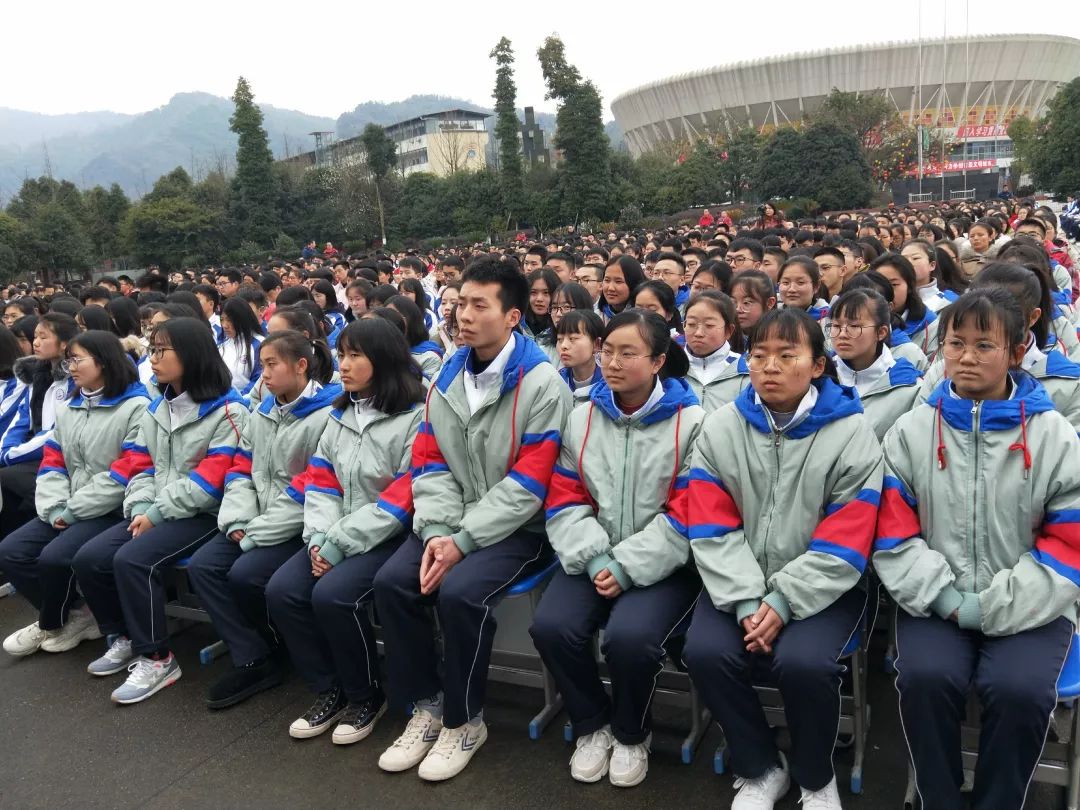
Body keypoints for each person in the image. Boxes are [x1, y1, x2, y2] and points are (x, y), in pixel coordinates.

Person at [874, 288, 1080, 810]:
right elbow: (893, 533)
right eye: (954, 343)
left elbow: (1068, 543)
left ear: (1016, 351)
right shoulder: (913, 431)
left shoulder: (1054, 436)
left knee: (1019, 691)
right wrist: (946, 598)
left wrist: (991, 605)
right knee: (924, 677)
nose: (965, 356)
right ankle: (938, 799)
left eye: (983, 345)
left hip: (1033, 604)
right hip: (935, 601)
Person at [372, 255, 571, 782]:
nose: (464, 314)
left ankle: (465, 721)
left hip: (519, 529)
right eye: (460, 303)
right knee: (393, 581)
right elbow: (430, 463)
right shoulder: (447, 374)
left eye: (479, 305)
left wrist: (462, 540)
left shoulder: (543, 383)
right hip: (452, 521)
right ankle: (427, 705)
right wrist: (439, 531)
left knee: (461, 593)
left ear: (512, 316)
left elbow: (529, 485)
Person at [684, 307, 883, 810]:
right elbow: (710, 522)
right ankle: (760, 765)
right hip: (740, 581)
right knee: (706, 651)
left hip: (826, 585)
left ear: (817, 365)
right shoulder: (723, 427)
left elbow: (848, 534)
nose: (769, 366)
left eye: (786, 355)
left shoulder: (850, 432)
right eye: (758, 355)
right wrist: (749, 597)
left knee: (804, 663)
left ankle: (816, 777)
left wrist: (785, 600)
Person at [531, 309, 703, 788]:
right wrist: (598, 557)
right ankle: (593, 723)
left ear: (658, 361)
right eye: (608, 351)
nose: (613, 362)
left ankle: (632, 732)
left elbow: (687, 513)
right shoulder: (582, 417)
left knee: (630, 639)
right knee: (551, 626)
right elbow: (565, 497)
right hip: (593, 555)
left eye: (628, 353)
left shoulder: (692, 423)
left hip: (664, 565)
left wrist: (628, 565)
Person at [71, 318, 248, 704]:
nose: (152, 359)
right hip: (154, 508)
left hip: (203, 514)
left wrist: (158, 512)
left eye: (161, 351)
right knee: (89, 558)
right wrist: (141, 506)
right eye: (151, 350)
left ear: (192, 354)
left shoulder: (229, 410)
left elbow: (211, 480)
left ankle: (158, 658)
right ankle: (123, 637)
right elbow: (140, 466)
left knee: (133, 560)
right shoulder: (157, 407)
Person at [266, 318, 425, 742]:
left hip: (389, 535)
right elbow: (321, 481)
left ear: (385, 359)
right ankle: (329, 688)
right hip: (335, 533)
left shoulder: (415, 416)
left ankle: (365, 696)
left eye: (356, 355)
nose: (345, 365)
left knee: (334, 595)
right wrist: (319, 537)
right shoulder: (340, 413)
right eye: (341, 355)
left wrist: (337, 543)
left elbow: (401, 499)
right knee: (282, 591)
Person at [184, 330, 341, 709]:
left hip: (299, 523)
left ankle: (302, 657)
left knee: (246, 574)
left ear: (301, 366)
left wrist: (258, 530)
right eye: (261, 365)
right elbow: (241, 469)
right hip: (255, 518)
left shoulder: (327, 414)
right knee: (205, 565)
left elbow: (312, 486)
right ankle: (255, 653)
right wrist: (239, 517)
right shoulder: (263, 411)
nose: (264, 374)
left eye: (272, 364)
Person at [0, 332, 149, 657]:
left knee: (56, 556)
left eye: (77, 359)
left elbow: (125, 473)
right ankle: (74, 614)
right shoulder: (71, 407)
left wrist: (72, 509)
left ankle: (51, 621)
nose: (69, 367)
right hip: (69, 505)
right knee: (11, 551)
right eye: (68, 360)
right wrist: (55, 506)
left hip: (109, 508)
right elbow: (53, 463)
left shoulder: (136, 407)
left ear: (104, 361)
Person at [0, 313, 78, 535]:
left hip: (61, 454)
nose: (36, 343)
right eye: (35, 336)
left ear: (64, 343)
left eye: (43, 337)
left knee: (8, 478)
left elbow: (55, 432)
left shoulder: (76, 378)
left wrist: (9, 455)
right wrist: (5, 451)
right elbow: (21, 421)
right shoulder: (36, 375)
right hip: (32, 452)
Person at [827, 289, 921, 441]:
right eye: (836, 326)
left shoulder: (910, 389)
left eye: (855, 326)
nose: (842, 334)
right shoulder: (819, 378)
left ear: (881, 332)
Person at [683, 291, 749, 412]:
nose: (698, 333)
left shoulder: (744, 371)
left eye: (709, 325)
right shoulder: (671, 367)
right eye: (691, 324)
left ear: (729, 330)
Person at [870, 253, 940, 360]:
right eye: (878, 285)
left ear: (910, 286)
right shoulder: (859, 323)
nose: (885, 292)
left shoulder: (930, 325)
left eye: (894, 285)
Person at [387, 295, 444, 380]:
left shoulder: (429, 357)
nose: (388, 322)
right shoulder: (381, 350)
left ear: (411, 319)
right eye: (384, 317)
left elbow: (425, 390)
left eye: (394, 317)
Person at [900, 239, 964, 312]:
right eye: (904, 259)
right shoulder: (895, 300)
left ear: (932, 265)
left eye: (915, 258)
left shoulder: (949, 300)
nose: (909, 262)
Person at [218, 297, 265, 396]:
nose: (224, 325)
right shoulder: (221, 344)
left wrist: (238, 399)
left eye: (229, 320)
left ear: (243, 319)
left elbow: (259, 380)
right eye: (222, 320)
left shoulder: (260, 344)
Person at [554, 309, 604, 403]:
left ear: (597, 344)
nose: (564, 346)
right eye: (560, 339)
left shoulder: (609, 385)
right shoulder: (556, 382)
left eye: (572, 339)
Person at [729, 271, 778, 350]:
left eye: (746, 303)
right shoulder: (725, 339)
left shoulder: (781, 339)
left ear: (769, 303)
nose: (738, 309)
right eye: (733, 302)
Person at [777, 257, 830, 321]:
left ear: (816, 286)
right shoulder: (772, 316)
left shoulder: (828, 319)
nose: (792, 289)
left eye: (800, 283)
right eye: (786, 282)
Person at [600, 256, 646, 322]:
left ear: (634, 283)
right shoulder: (597, 315)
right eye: (607, 280)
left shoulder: (643, 318)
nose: (610, 288)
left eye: (618, 281)